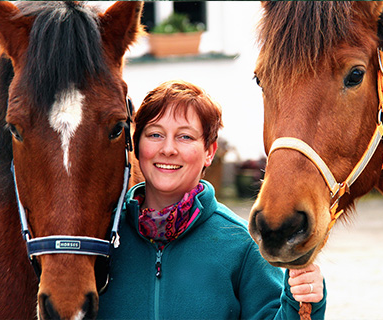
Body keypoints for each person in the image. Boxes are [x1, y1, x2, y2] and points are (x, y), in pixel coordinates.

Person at [97, 80, 326, 319]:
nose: (168, 149)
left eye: (185, 137)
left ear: (209, 152)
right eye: (155, 134)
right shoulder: (103, 235)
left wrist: (300, 299)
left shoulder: (242, 246)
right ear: (136, 144)